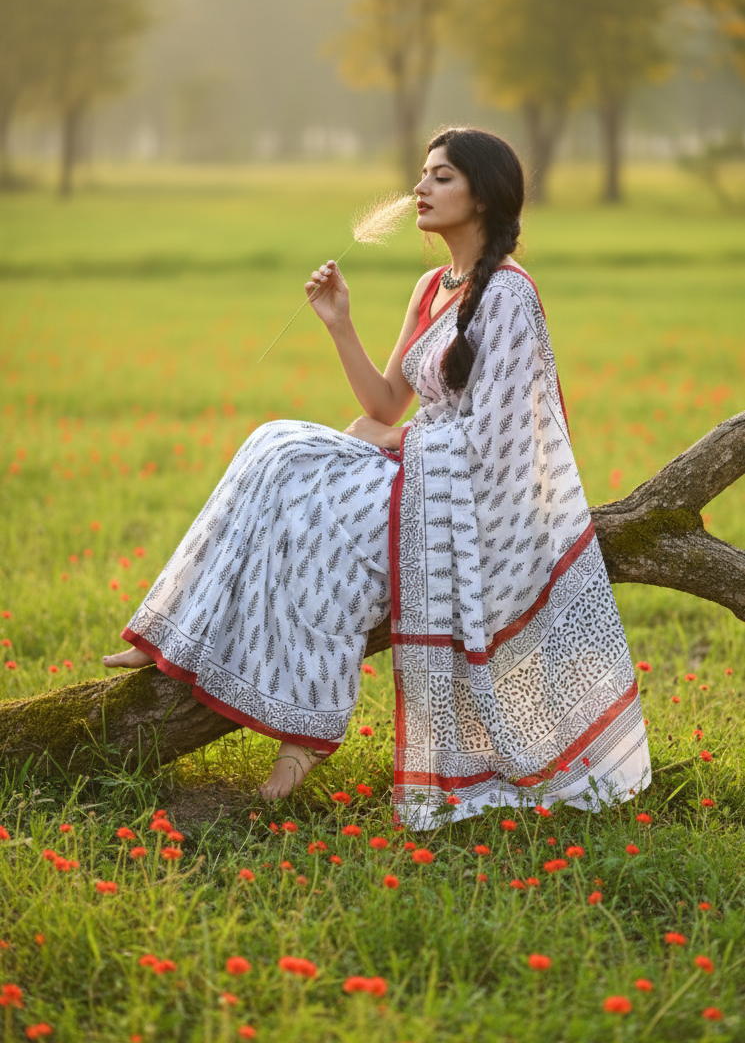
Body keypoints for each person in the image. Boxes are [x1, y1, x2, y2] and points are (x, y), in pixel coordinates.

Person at [103, 126, 650, 825]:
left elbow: (499, 442)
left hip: (463, 504)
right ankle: (183, 641)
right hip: (417, 471)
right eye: (421, 174)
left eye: (441, 176)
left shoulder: (509, 297)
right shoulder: (431, 286)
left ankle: (298, 724)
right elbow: (385, 401)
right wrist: (339, 324)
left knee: (290, 458)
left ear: (482, 195)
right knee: (275, 450)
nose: (419, 188)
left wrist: (392, 441)